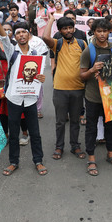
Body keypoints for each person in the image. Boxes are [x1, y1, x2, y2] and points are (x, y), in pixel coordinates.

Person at [0, 13, 48, 176]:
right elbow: (3, 37)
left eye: (24, 32)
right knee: (14, 131)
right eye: (18, 33)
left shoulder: (36, 52)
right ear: (14, 36)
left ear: (29, 33)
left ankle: (38, 160)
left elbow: (39, 74)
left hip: (30, 98)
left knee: (35, 133)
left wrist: (41, 78)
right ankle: (13, 162)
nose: (21, 35)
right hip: (14, 98)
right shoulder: (11, 50)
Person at [79, 18, 112, 176]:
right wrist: (91, 71)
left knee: (110, 126)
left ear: (109, 31)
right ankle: (91, 158)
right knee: (91, 128)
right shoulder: (88, 51)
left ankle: (110, 154)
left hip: (109, 96)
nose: (102, 34)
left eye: (105, 31)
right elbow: (81, 76)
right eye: (99, 31)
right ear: (94, 32)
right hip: (92, 96)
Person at [42, 13, 87, 162]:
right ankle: (59, 147)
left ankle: (75, 146)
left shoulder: (82, 44)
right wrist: (51, 20)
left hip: (78, 89)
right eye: (64, 28)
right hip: (60, 89)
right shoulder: (57, 43)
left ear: (74, 28)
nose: (68, 30)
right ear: (60, 31)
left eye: (70, 28)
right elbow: (45, 38)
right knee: (60, 121)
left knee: (75, 120)